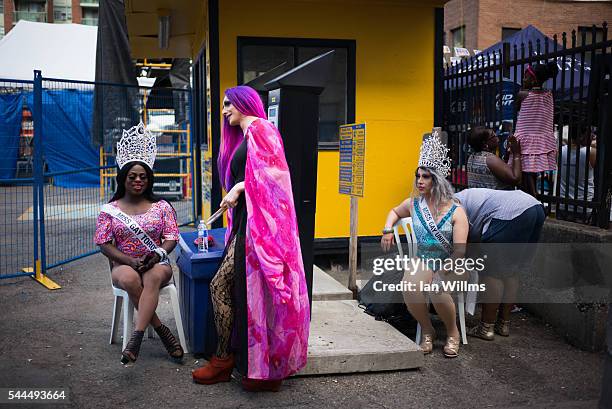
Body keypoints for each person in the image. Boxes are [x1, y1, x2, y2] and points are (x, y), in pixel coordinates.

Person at [192, 86, 309, 392]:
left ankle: (231, 362)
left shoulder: (262, 128)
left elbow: (278, 178)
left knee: (224, 286)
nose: (224, 109)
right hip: (248, 223)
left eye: (229, 103)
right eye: (223, 103)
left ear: (245, 103)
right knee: (243, 292)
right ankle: (243, 363)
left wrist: (240, 188)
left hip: (259, 228)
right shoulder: (245, 136)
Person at [94, 122, 184, 364]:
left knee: (153, 276)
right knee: (131, 279)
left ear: (149, 179)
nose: (138, 180)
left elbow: (171, 237)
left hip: (155, 261)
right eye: (132, 176)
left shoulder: (162, 206)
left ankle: (134, 339)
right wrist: (129, 260)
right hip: (124, 262)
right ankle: (162, 331)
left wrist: (156, 254)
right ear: (123, 178)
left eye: (143, 177)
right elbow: (104, 243)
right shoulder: (110, 210)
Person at [381, 131, 469, 358]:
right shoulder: (413, 204)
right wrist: (388, 229)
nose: (420, 181)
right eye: (418, 176)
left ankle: (452, 333)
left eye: (426, 177)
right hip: (423, 259)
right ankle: (428, 330)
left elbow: (459, 251)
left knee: (436, 287)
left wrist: (442, 270)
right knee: (409, 285)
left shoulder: (456, 211)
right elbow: (393, 211)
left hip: (452, 262)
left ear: (437, 180)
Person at [453, 188, 545, 340]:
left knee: (491, 273)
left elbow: (464, 237)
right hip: (535, 208)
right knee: (511, 271)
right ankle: (503, 324)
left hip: (509, 214)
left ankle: (486, 328)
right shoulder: (461, 197)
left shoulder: (449, 203)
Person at [508, 61, 559, 197]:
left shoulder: (522, 94)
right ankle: (532, 196)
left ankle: (532, 197)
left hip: (525, 138)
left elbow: (517, 108)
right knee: (531, 171)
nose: (523, 79)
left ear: (533, 79)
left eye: (526, 77)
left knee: (523, 172)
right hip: (541, 139)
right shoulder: (549, 94)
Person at [467, 125, 522, 189]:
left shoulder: (472, 157)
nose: (497, 137)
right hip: (495, 198)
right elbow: (515, 179)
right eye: (493, 136)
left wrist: (507, 155)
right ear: (485, 144)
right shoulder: (489, 158)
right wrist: (516, 154)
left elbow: (499, 170)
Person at [559, 125, 596, 218]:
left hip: (563, 203)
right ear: (583, 135)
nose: (592, 136)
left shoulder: (560, 151)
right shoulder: (591, 152)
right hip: (584, 206)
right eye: (590, 133)